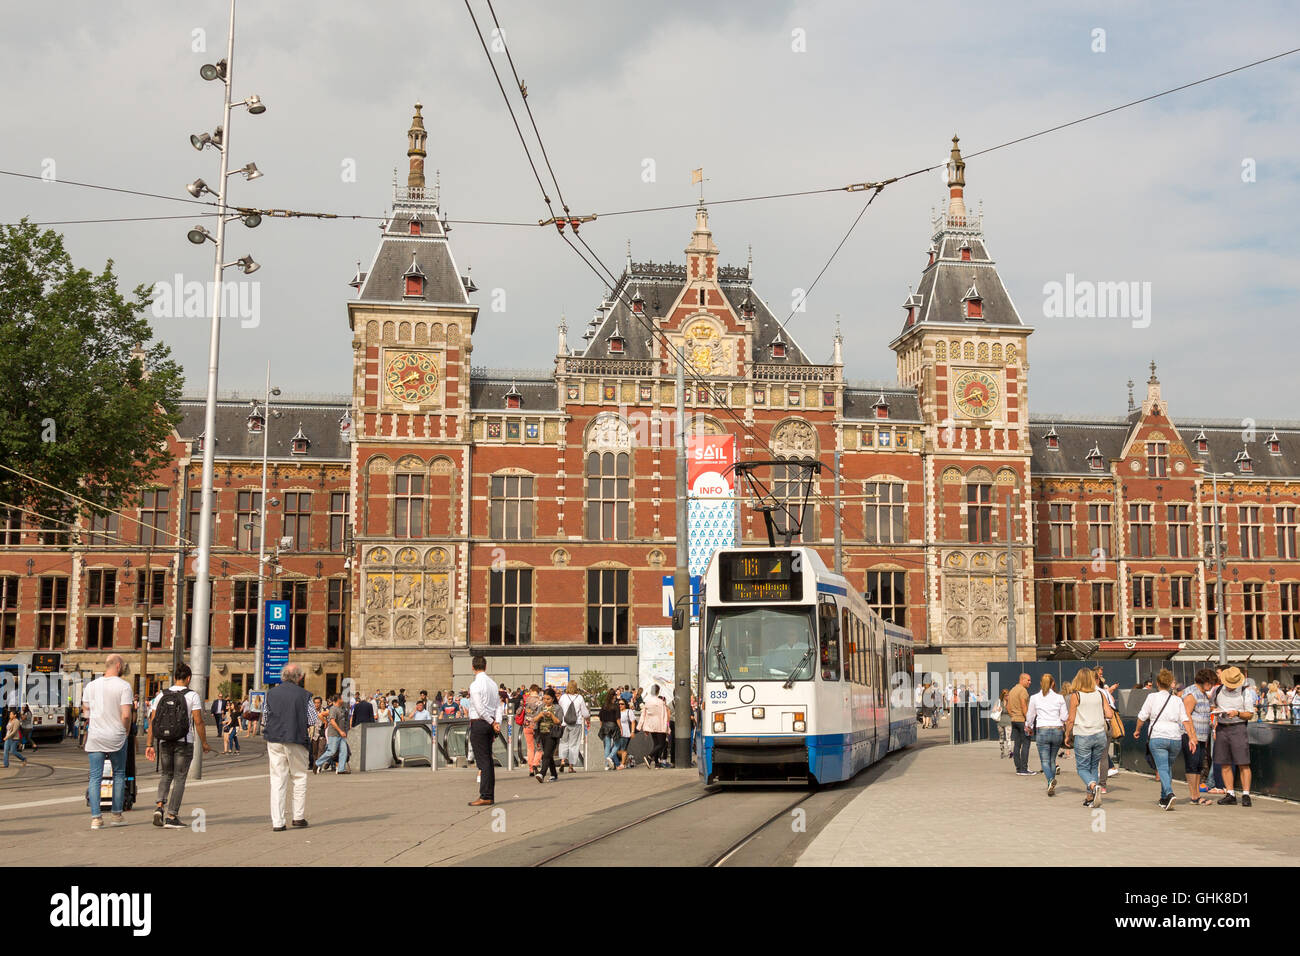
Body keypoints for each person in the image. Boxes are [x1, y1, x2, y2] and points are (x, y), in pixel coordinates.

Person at [145, 663, 210, 829]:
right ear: (188, 678)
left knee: (166, 775)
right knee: (180, 778)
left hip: (164, 741)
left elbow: (153, 721)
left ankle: (159, 806)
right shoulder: (192, 696)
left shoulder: (160, 695)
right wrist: (204, 743)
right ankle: (172, 816)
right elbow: (198, 721)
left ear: (174, 677)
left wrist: (149, 744)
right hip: (184, 742)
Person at [81, 654, 134, 829]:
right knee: (118, 774)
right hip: (116, 736)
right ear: (118, 666)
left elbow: (86, 712)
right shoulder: (124, 686)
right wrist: (125, 731)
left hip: (96, 736)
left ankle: (96, 818)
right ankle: (116, 815)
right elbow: (126, 714)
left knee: (95, 777)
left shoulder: (91, 686)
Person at [263, 662, 318, 831]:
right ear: (299, 677)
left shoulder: (270, 694)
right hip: (296, 739)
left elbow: (265, 718)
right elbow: (312, 719)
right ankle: (298, 817)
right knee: (299, 777)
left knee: (278, 780)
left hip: (275, 739)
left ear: (282, 676)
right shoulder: (305, 695)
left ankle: (278, 822)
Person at [1133, 668, 1196, 810]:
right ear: (1170, 684)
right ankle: (1163, 798)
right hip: (1175, 737)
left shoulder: (1152, 697)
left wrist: (1137, 730)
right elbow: (1185, 720)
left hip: (1158, 735)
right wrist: (1191, 737)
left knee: (1161, 767)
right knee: (1167, 768)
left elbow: (1142, 716)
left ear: (1157, 683)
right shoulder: (1177, 700)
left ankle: (1169, 793)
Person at [1064, 666, 1117, 807]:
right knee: (1094, 767)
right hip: (1100, 734)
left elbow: (1071, 719)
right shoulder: (1099, 694)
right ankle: (1089, 797)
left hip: (1083, 735)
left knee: (1082, 768)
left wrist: (1067, 735)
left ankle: (1093, 786)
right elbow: (1110, 714)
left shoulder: (1077, 696)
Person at [1210, 666, 1254, 806]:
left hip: (1238, 726)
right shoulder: (1217, 690)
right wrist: (1216, 713)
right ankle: (1230, 793)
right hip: (1222, 727)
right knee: (1224, 762)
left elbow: (1250, 714)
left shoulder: (1244, 692)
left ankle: (1246, 794)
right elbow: (1212, 706)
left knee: (1243, 762)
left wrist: (1237, 713)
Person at [466, 655, 503, 807]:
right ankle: (489, 794)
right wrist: (497, 722)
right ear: (485, 667)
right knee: (488, 759)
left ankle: (485, 795)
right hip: (490, 724)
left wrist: (491, 721)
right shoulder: (493, 684)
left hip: (480, 723)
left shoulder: (475, 685)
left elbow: (480, 708)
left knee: (483, 761)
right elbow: (498, 706)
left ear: (473, 667)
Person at [1025, 674, 1068, 796]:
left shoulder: (1034, 698)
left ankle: (1050, 780)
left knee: (1044, 760)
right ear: (1053, 683)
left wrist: (1029, 726)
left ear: (1040, 683)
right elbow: (1064, 716)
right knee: (1052, 760)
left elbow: (1030, 715)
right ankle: (1051, 783)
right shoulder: (1059, 698)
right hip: (1057, 729)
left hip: (1042, 729)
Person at [1181, 668, 1216, 805]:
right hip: (1191, 736)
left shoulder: (1203, 694)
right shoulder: (1192, 694)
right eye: (1210, 683)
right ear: (1203, 681)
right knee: (1192, 764)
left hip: (1202, 736)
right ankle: (1194, 796)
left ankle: (1196, 795)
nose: (1211, 686)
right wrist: (1192, 736)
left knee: (1198, 765)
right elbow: (1186, 715)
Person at [313, 693, 351, 775]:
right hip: (334, 734)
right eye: (342, 698)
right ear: (338, 700)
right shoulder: (333, 709)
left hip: (341, 734)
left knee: (344, 751)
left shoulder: (341, 708)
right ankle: (317, 763)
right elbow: (332, 721)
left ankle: (341, 769)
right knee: (332, 751)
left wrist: (344, 730)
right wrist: (339, 731)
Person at [531, 688, 562, 782]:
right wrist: (540, 715)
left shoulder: (557, 708)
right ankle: (554, 774)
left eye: (548, 699)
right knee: (549, 755)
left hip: (552, 733)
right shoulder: (541, 707)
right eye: (544, 698)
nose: (546, 701)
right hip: (542, 733)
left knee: (546, 754)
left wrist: (551, 715)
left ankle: (542, 773)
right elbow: (534, 719)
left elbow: (559, 721)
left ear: (553, 699)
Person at [557, 681, 589, 773]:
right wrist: (588, 719)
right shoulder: (579, 698)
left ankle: (563, 761)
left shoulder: (563, 697)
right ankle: (570, 766)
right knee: (573, 745)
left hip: (564, 723)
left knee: (563, 742)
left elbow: (559, 709)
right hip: (576, 723)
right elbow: (585, 713)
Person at [637, 683, 671, 769]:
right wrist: (667, 728)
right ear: (658, 691)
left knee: (656, 744)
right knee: (661, 744)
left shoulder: (647, 702)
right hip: (660, 726)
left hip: (651, 726)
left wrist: (640, 726)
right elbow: (664, 716)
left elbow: (643, 715)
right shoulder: (661, 702)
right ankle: (649, 756)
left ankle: (657, 764)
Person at [1006, 673, 1033, 775]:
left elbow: (1008, 706)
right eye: (1028, 680)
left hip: (1014, 720)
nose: (1030, 682)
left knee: (1017, 744)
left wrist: (1013, 716)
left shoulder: (1012, 690)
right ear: (1022, 679)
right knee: (1026, 743)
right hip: (1022, 720)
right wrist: (1028, 721)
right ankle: (1024, 769)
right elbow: (1023, 706)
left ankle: (1018, 768)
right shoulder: (1023, 691)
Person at [522, 684, 543, 773]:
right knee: (540, 747)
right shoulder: (540, 701)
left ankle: (530, 768)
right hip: (536, 726)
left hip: (526, 725)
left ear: (530, 690)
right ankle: (535, 763)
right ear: (538, 691)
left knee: (530, 747)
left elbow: (519, 711)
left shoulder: (525, 700)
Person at [598, 689, 621, 770]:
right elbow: (617, 718)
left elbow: (600, 718)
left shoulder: (604, 706)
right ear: (614, 696)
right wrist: (621, 728)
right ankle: (610, 757)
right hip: (614, 726)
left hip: (605, 726)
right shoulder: (616, 706)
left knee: (607, 746)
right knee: (617, 744)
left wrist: (602, 727)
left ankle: (606, 765)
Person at [616, 697, 634, 769]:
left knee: (622, 749)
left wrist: (632, 732)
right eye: (619, 704)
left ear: (625, 705)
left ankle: (622, 764)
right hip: (617, 733)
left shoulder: (628, 711)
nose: (620, 705)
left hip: (625, 733)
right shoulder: (617, 712)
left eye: (622, 704)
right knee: (616, 750)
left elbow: (633, 722)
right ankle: (628, 758)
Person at [994, 689, 1012, 758]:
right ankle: (1002, 752)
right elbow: (993, 710)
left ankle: (1010, 752)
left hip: (1008, 721)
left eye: (1008, 695)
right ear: (1003, 695)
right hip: (1000, 722)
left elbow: (1012, 711)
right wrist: (997, 709)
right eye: (1006, 695)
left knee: (1008, 738)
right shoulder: (999, 702)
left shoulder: (1010, 702)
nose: (1007, 696)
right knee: (1001, 737)